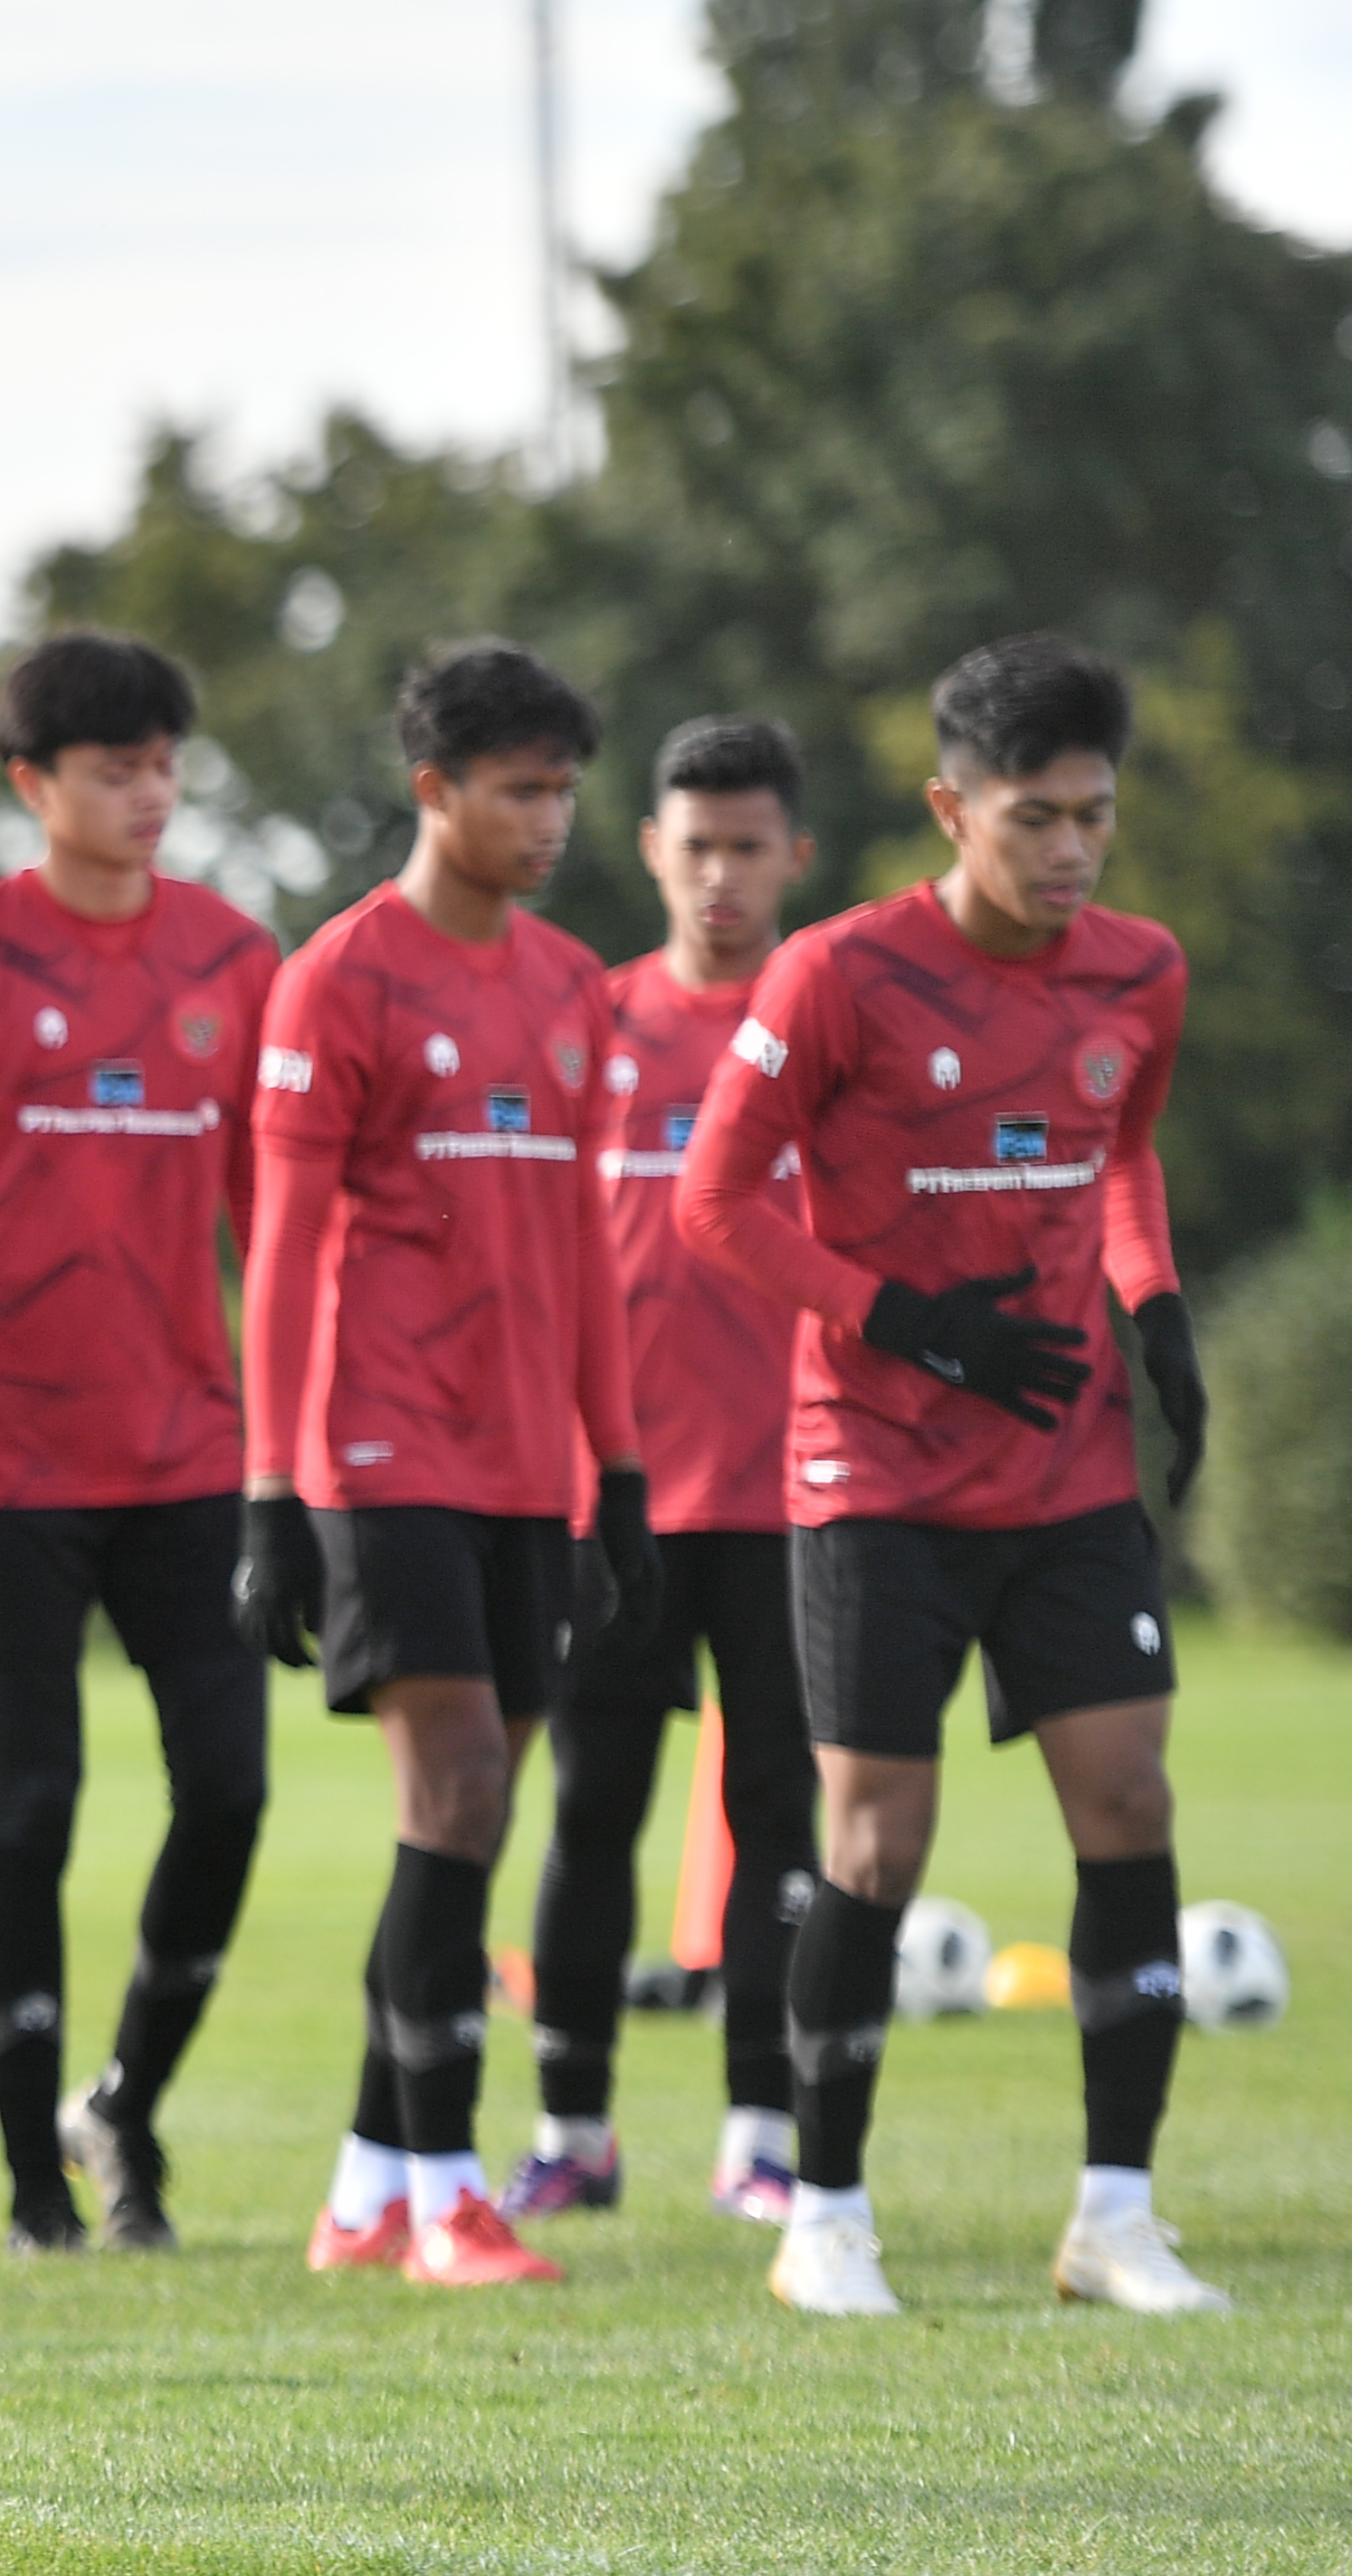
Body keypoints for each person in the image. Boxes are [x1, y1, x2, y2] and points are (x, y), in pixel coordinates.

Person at [672, 634, 1219, 2320]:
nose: (1067, 851)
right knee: (875, 1841)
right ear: (948, 807)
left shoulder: (1139, 972)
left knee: (1128, 1805)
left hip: (1063, 1470)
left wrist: (1152, 1301)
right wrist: (901, 1318)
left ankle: (1112, 2215)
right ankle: (822, 2214)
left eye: (1093, 816)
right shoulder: (834, 973)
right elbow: (714, 1199)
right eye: (1031, 816)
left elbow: (1118, 1152)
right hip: (871, 1475)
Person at [0, 632, 277, 2252]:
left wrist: (291, 1454)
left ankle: (126, 2104)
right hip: (4, 1462)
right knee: (32, 1807)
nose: (148, 795)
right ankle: (32, 2171)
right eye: (113, 770)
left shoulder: (237, 959)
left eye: (164, 765)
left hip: (193, 1459)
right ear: (34, 785)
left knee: (226, 1793)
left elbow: (277, 1233)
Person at [233, 639, 656, 2294]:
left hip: (522, 1468)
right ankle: (441, 2200)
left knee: (461, 1831)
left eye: (563, 788)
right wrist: (274, 1490)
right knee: (459, 1787)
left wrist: (613, 1472)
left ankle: (361, 2182)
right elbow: (275, 1254)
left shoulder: (568, 987)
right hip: (375, 1447)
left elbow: (581, 1246)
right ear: (434, 790)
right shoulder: (337, 977)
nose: (550, 819)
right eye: (519, 789)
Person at [511, 714, 824, 2228]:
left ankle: (762, 2134)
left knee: (780, 1815)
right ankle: (572, 2129)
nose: (717, 875)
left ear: (793, 857)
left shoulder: (831, 1025)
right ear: (649, 848)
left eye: (745, 847)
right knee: (588, 1814)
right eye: (691, 845)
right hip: (609, 1498)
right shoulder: (588, 1016)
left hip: (793, 1500)